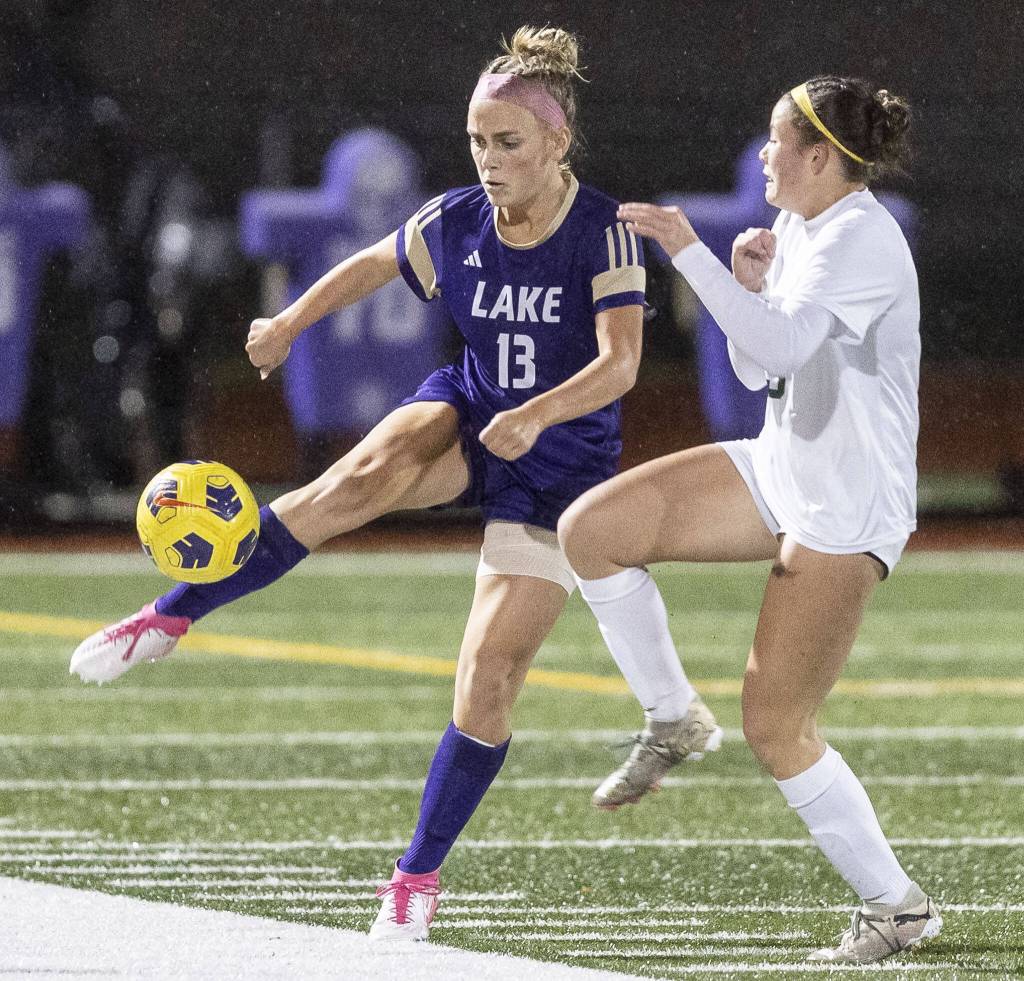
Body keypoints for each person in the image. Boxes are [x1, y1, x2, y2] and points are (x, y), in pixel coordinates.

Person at [70, 26, 710, 942]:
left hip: (558, 471)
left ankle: (415, 877)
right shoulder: (456, 219)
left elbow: (620, 364)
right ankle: (168, 615)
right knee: (350, 479)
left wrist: (538, 414)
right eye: (478, 142)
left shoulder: (605, 232)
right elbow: (375, 261)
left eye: (509, 143)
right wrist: (286, 321)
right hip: (469, 412)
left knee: (487, 681)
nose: (489, 161)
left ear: (558, 142)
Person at [557, 75, 942, 965]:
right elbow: (763, 365)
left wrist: (691, 254)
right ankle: (671, 718)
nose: (764, 154)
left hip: (845, 502)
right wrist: (747, 285)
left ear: (821, 157)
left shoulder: (863, 236)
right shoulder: (810, 229)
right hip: (785, 464)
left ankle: (898, 908)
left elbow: (785, 346)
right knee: (593, 531)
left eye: (777, 141)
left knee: (776, 727)